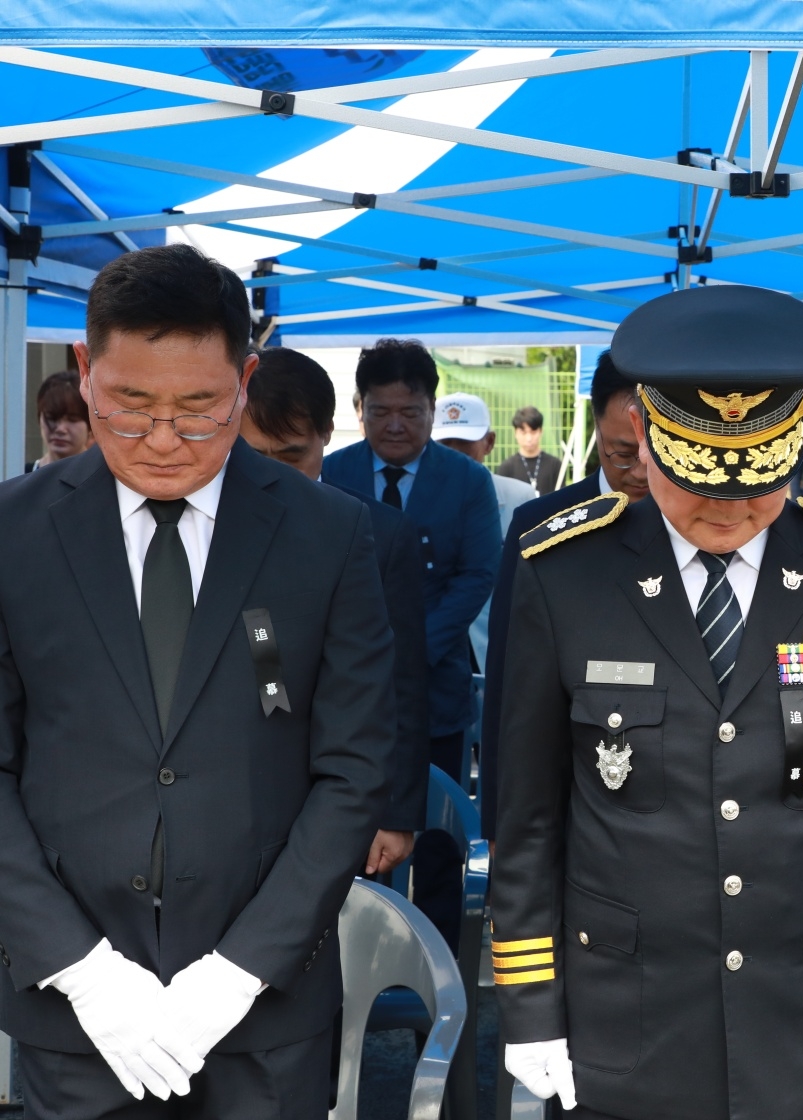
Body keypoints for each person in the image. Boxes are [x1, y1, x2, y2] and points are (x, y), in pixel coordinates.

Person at [490, 285, 803, 1120]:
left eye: (757, 487)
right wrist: (529, 1005)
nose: (727, 510)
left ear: (794, 450)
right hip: (625, 1013)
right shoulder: (564, 574)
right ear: (648, 446)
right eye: (700, 484)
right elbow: (528, 819)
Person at [0, 243, 395, 1116]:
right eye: (131, 409)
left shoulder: (327, 534)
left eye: (201, 408)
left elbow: (355, 768)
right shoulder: (13, 534)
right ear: (85, 371)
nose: (166, 441)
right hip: (76, 1013)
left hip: (265, 1015)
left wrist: (238, 971)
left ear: (245, 381)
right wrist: (82, 969)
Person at [240, 345, 429, 877]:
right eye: (253, 457)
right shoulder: (207, 526)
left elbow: (406, 683)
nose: (273, 478)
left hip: (349, 789)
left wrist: (395, 813)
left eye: (293, 456)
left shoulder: (379, 533)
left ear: (329, 433)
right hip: (236, 785)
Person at [480, 349, 647, 845]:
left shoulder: (695, 524)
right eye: (621, 453)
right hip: (567, 792)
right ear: (595, 426)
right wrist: (498, 825)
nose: (640, 471)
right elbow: (507, 685)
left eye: (653, 453)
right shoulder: (541, 528)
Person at [322, 339, 499, 784]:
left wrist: (412, 651)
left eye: (411, 413)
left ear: (432, 409)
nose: (395, 426)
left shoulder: (468, 480)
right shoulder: (331, 473)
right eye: (381, 412)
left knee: (439, 828)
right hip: (346, 685)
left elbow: (478, 574)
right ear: (359, 409)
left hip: (436, 680)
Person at [430, 390, 536, 669]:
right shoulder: (412, 497)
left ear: (489, 443)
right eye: (444, 443)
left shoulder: (520, 499)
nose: (453, 452)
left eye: (464, 443)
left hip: (495, 647)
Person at [27, 370, 93, 471]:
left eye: (72, 419)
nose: (60, 429)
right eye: (52, 418)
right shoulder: (19, 475)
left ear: (90, 424)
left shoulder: (106, 478)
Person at [496, 405, 562, 495]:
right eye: (523, 432)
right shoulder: (506, 468)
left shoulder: (555, 464)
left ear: (541, 431)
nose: (529, 438)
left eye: (533, 432)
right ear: (515, 433)